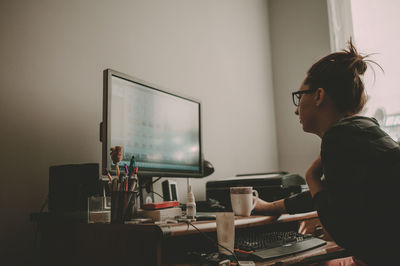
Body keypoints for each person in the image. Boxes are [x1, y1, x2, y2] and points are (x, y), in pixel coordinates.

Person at [254, 39, 400, 265]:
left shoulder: (338, 138)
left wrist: (311, 176)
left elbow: (341, 234)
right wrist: (267, 207)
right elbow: (329, 192)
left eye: (300, 96)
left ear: (319, 96)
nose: (296, 108)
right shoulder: (365, 131)